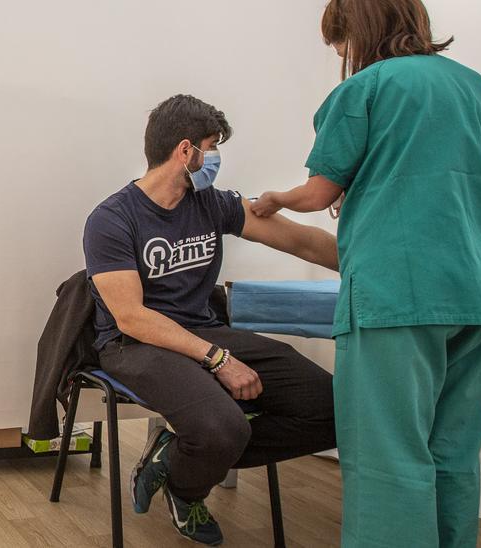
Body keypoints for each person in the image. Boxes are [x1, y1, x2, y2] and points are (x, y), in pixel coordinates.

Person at [250, 2, 481, 545]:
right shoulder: (475, 87)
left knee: (388, 455)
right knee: (453, 451)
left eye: (341, 44)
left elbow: (318, 192)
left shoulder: (364, 90)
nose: (343, 56)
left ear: (360, 30)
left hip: (398, 292)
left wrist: (275, 199)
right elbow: (438, 175)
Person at [85, 95, 340, 545]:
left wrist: (370, 265)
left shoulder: (213, 204)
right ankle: (187, 489)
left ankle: (179, 455)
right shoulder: (112, 219)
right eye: (212, 146)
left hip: (202, 331)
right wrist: (218, 358)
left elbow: (303, 243)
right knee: (222, 427)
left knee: (333, 408)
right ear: (186, 151)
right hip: (135, 345)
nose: (215, 158)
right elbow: (131, 317)